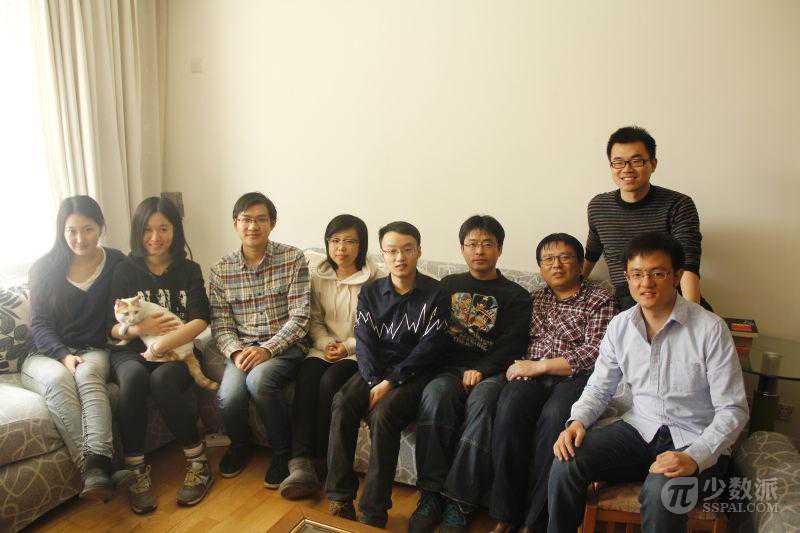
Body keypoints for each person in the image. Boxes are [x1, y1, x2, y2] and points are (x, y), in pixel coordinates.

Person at [548, 232, 749, 533]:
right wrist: (578, 420)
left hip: (696, 437)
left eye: (657, 273)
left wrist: (694, 457)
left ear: (676, 276)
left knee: (661, 492)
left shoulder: (710, 329)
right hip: (640, 430)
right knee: (567, 460)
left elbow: (733, 410)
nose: (646, 283)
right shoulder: (620, 326)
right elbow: (600, 387)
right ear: (627, 277)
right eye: (637, 274)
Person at [409, 215, 531, 532]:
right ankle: (430, 494)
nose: (479, 251)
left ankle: (460, 501)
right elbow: (433, 331)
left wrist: (482, 369)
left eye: (487, 244)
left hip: (494, 373)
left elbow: (513, 344)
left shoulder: (516, 295)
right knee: (435, 396)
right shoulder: (448, 286)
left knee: (483, 404)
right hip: (449, 370)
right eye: (472, 244)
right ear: (462, 248)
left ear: (499, 249)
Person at [488, 233, 615, 533]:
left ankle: (535, 522)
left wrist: (540, 366)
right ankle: (505, 514)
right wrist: (517, 366)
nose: (556, 265)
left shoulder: (600, 298)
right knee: (509, 409)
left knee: (555, 418)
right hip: (531, 375)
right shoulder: (534, 299)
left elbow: (595, 352)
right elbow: (516, 340)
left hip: (576, 376)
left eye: (565, 257)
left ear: (580, 264)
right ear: (540, 267)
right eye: (548, 259)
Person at [326, 221, 450, 528]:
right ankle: (340, 497)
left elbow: (428, 350)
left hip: (415, 374)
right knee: (343, 402)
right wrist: (373, 381)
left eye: (407, 249)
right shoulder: (371, 292)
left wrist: (390, 382)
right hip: (375, 371)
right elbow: (364, 342)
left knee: (384, 414)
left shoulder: (437, 294)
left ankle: (373, 511)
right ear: (382, 254)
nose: (400, 257)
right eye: (392, 251)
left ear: (419, 251)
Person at [109, 196, 212, 513]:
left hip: (177, 350)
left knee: (164, 380)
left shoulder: (189, 270)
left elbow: (200, 319)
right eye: (147, 230)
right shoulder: (124, 270)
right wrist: (140, 330)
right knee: (133, 379)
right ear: (138, 232)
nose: (155, 237)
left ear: (175, 230)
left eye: (163, 228)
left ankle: (198, 461)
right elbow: (110, 328)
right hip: (131, 352)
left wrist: (161, 344)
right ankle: (136, 471)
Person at [22, 195, 124, 500]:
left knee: (88, 374)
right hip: (44, 353)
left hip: (93, 347)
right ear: (62, 231)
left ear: (101, 227)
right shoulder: (44, 268)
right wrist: (63, 356)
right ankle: (96, 469)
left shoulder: (116, 262)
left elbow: (119, 313)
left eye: (88, 229)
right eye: (72, 231)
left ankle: (96, 470)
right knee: (58, 380)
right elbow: (39, 324)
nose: (80, 238)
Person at [209, 192, 311, 488]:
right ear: (235, 223)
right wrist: (235, 352)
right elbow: (221, 325)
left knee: (259, 381)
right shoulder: (220, 270)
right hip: (243, 348)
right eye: (246, 219)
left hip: (285, 346)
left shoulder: (292, 258)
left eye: (261, 219)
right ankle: (240, 446)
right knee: (228, 396)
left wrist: (267, 350)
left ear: (272, 223)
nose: (253, 226)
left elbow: (300, 317)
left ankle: (282, 453)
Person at [279, 214, 382, 499]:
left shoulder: (375, 281)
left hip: (358, 353)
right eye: (335, 241)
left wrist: (346, 347)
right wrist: (325, 343)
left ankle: (322, 460)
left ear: (361, 245)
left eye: (350, 241)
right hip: (323, 347)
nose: (341, 248)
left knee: (330, 383)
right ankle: (300, 462)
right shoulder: (317, 276)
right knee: (307, 377)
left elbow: (375, 327)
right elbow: (313, 319)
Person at [583, 126, 706, 310]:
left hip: (671, 296)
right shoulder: (599, 206)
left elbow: (689, 263)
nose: (627, 169)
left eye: (636, 161)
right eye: (618, 162)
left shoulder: (679, 204)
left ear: (653, 164)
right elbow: (591, 253)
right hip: (627, 301)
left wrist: (692, 315)